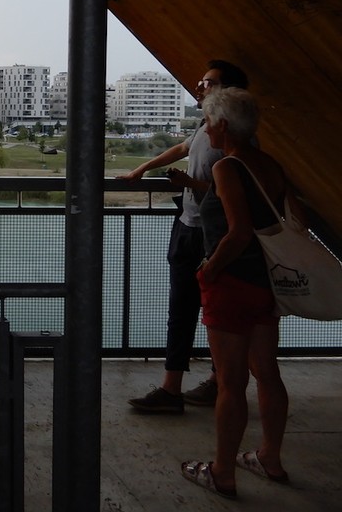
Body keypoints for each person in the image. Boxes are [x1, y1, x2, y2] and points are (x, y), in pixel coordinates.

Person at [180, 86, 292, 498]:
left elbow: (238, 232)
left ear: (223, 125)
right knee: (267, 372)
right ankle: (269, 458)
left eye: (208, 121)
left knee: (230, 383)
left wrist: (208, 271)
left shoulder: (228, 167)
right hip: (265, 283)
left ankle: (222, 471)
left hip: (232, 285)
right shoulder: (270, 164)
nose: (206, 129)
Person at [120, 60, 249, 413]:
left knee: (214, 311)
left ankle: (216, 382)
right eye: (201, 81)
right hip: (187, 227)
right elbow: (180, 149)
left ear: (229, 91)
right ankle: (172, 387)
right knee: (181, 309)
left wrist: (189, 184)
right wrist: (143, 168)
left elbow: (235, 191)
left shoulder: (233, 137)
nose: (200, 87)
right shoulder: (205, 128)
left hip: (214, 236)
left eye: (207, 83)